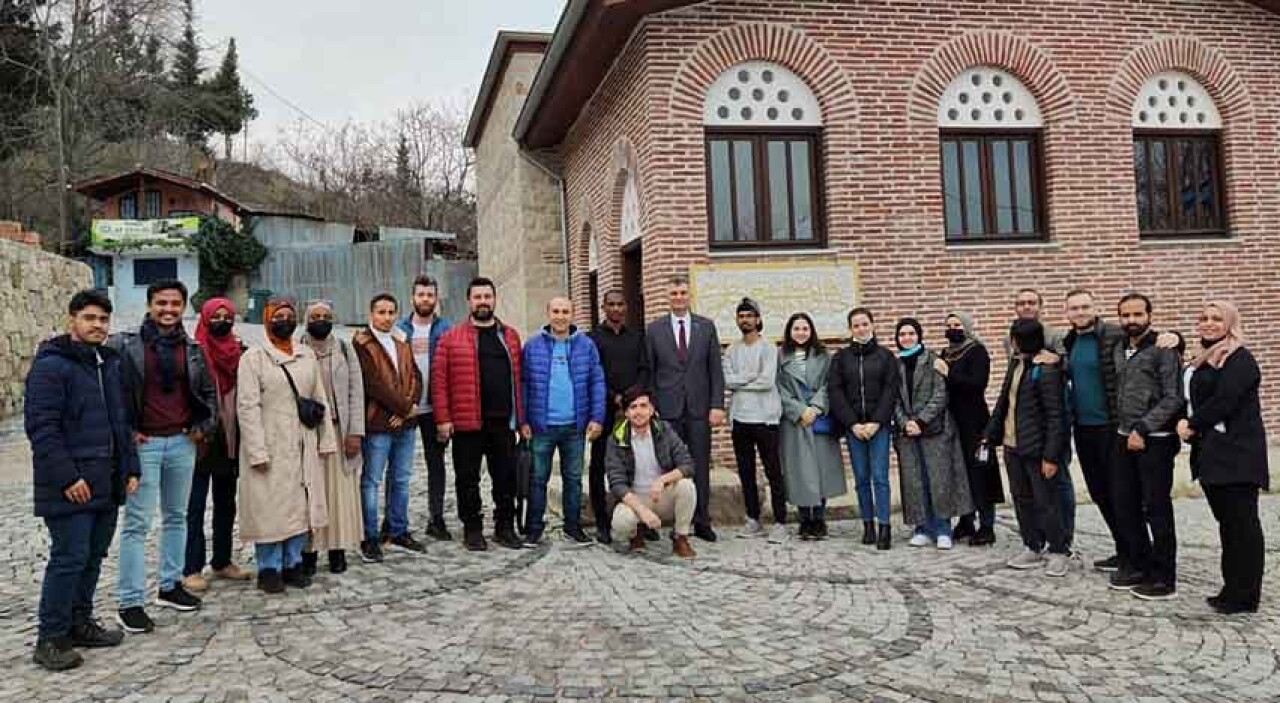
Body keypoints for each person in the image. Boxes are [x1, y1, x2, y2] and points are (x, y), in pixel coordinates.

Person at [25, 289, 137, 670]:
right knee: (68, 558)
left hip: (106, 481)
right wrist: (67, 476)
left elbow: (122, 423)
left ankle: (79, 622)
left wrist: (130, 468)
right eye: (89, 318)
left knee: (93, 556)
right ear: (72, 319)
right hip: (71, 483)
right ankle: (51, 638)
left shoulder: (109, 363)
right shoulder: (51, 366)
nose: (98, 326)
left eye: (103, 319)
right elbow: (42, 429)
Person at [109, 279, 216, 634]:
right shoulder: (126, 346)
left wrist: (203, 427)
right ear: (149, 305)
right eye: (161, 303)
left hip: (182, 443)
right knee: (137, 524)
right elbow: (114, 395)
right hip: (145, 445)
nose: (168, 310)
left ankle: (170, 585)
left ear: (184, 307)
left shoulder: (193, 348)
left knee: (177, 517)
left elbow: (208, 394)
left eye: (174, 304)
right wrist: (127, 433)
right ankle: (130, 601)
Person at [237, 296, 336, 593]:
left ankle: (293, 563)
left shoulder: (306, 355)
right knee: (269, 509)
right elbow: (247, 406)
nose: (284, 320)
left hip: (302, 443)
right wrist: (256, 450)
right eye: (277, 315)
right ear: (267, 320)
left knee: (300, 507)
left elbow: (320, 400)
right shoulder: (253, 358)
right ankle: (269, 567)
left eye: (288, 315)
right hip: (270, 443)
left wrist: (326, 440)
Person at [1178, 301, 1268, 614]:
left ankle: (1246, 596)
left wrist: (1190, 424)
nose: (1209, 323)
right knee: (1228, 526)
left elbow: (1226, 400)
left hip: (1237, 456)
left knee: (1243, 526)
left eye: (1217, 319)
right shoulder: (1204, 358)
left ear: (1230, 323)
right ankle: (1232, 588)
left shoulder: (1239, 357)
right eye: (1203, 318)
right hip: (1213, 454)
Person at [432, 277, 525, 552]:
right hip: (466, 422)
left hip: (502, 421)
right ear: (469, 301)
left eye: (487, 296)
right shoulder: (451, 338)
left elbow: (520, 380)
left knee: (505, 477)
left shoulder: (509, 336)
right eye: (478, 297)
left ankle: (504, 527)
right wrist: (443, 419)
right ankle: (472, 528)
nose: (483, 301)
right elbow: (439, 382)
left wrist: (521, 419)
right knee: (467, 478)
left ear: (494, 299)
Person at [1110, 293, 1185, 601]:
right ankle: (1140, 565)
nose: (1131, 320)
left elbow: (1174, 397)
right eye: (1125, 315)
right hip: (1124, 436)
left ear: (1150, 315)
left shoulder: (1164, 349)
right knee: (1126, 504)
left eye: (1137, 314)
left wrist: (1143, 427)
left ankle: (1164, 578)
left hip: (1155, 440)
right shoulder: (1120, 346)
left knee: (1156, 507)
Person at [985, 320, 1070, 576]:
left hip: (1037, 450)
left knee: (1047, 502)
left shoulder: (1045, 371)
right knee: (1022, 500)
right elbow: (1004, 401)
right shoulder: (1016, 364)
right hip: (1013, 446)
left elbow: (1057, 417)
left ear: (1018, 340)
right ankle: (1032, 545)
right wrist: (990, 434)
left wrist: (1051, 456)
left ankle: (1058, 550)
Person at [519, 296, 606, 546]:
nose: (560, 316)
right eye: (555, 311)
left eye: (565, 311)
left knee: (573, 479)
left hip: (574, 427)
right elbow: (523, 385)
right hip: (541, 426)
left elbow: (597, 382)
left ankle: (573, 526)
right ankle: (534, 528)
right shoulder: (533, 346)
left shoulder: (586, 345)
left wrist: (597, 417)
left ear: (573, 314)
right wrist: (523, 420)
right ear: (548, 313)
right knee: (537, 479)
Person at [645, 274, 725, 542]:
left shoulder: (706, 327)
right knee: (664, 466)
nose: (678, 297)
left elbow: (715, 369)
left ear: (689, 295)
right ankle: (663, 520)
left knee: (700, 464)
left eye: (682, 293)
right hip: (667, 410)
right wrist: (651, 406)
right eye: (673, 294)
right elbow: (651, 372)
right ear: (667, 297)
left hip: (699, 409)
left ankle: (702, 520)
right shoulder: (654, 330)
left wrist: (717, 405)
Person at [182, 297, 252, 595]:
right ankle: (191, 568)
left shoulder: (242, 353)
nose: (221, 321)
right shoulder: (192, 353)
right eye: (215, 316)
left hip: (232, 438)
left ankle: (222, 560)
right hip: (201, 439)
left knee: (226, 503)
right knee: (194, 506)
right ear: (205, 318)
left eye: (227, 315)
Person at [1059, 289, 1129, 573]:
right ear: (1067, 312)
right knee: (1099, 492)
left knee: (1120, 493)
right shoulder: (1070, 340)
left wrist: (1175, 338)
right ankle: (1122, 548)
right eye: (1074, 308)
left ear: (1094, 307)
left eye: (1085, 306)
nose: (1080, 312)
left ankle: (1134, 553)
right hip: (1083, 428)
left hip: (1111, 427)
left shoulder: (1114, 334)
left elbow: (1147, 340)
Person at [352, 293, 424, 563]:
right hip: (378, 423)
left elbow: (416, 376)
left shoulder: (400, 341)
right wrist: (402, 409)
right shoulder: (361, 343)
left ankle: (397, 529)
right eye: (381, 312)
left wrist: (410, 405)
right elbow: (372, 384)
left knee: (401, 479)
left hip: (404, 424)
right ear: (371, 314)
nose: (386, 317)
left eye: (391, 312)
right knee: (372, 481)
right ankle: (369, 537)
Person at [892, 318, 973, 551]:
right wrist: (905, 422)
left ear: (919, 335)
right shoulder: (896, 365)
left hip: (935, 430)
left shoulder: (933, 360)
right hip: (907, 432)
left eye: (911, 333)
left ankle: (943, 528)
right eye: (902, 334)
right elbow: (894, 399)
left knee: (939, 479)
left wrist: (920, 420)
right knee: (915, 481)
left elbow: (941, 395)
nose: (906, 338)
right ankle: (922, 528)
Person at [1003, 288, 1075, 548]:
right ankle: (1036, 541)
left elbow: (1070, 368)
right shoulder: (1012, 344)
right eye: (1021, 303)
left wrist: (1058, 360)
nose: (1026, 306)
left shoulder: (1055, 336)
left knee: (1056, 489)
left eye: (1031, 302)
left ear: (1041, 306)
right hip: (1022, 431)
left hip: (1048, 432)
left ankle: (1063, 540)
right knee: (1026, 494)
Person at [300, 300, 365, 574]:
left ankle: (337, 550)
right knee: (309, 493)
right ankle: (309, 551)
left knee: (339, 494)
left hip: (340, 430)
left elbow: (356, 390)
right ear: (306, 319)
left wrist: (355, 432)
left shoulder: (344, 348)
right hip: (309, 431)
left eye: (326, 315)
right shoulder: (296, 348)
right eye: (316, 316)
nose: (321, 320)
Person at [828, 307, 898, 549]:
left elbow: (891, 391)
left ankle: (885, 526)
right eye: (856, 325)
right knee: (861, 478)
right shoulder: (840, 358)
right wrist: (853, 424)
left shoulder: (886, 357)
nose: (861, 328)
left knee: (880, 477)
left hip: (879, 427)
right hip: (854, 428)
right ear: (850, 329)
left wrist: (876, 422)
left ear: (872, 325)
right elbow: (836, 392)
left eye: (864, 324)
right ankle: (867, 524)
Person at [776, 313, 846, 541]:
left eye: (805, 328)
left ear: (811, 331)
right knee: (800, 472)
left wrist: (814, 408)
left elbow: (829, 384)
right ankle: (805, 519)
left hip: (818, 419)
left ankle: (820, 519)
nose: (801, 332)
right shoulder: (780, 357)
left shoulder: (824, 356)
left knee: (821, 470)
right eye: (796, 328)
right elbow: (778, 389)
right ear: (789, 331)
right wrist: (798, 410)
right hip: (795, 421)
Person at [605, 386, 698, 559]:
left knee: (687, 487)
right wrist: (642, 511)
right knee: (621, 523)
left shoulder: (664, 430)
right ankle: (636, 533)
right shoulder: (616, 439)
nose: (638, 412)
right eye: (633, 407)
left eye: (643, 406)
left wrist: (663, 480)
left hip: (660, 495)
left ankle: (680, 537)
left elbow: (687, 464)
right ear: (626, 413)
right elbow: (616, 483)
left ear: (652, 409)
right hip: (634, 499)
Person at [587, 289, 650, 544]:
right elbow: (593, 372)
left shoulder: (637, 337)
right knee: (599, 465)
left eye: (620, 304)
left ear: (625, 307)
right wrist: (613, 397)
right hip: (604, 410)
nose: (615, 309)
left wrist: (632, 399)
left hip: (634, 410)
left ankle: (641, 520)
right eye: (610, 304)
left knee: (638, 464)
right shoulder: (593, 338)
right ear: (603, 307)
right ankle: (602, 522)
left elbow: (644, 369)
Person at [722, 297, 786, 542]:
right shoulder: (732, 350)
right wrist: (749, 377)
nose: (745, 320)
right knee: (746, 472)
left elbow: (766, 381)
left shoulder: (769, 348)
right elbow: (728, 381)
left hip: (766, 418)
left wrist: (742, 381)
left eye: (749, 315)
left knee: (773, 470)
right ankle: (752, 519)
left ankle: (780, 521)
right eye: (741, 316)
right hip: (740, 418)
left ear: (758, 319)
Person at [396, 275, 453, 541]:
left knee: (436, 465)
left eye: (430, 295)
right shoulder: (400, 330)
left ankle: (436, 518)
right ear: (413, 298)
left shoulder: (446, 330)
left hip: (435, 410)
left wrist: (447, 414)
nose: (425, 300)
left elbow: (452, 373)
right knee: (399, 467)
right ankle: (395, 522)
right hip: (407, 409)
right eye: (421, 295)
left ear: (436, 298)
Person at [938, 312, 1001, 546]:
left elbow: (977, 384)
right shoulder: (946, 353)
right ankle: (966, 520)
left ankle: (987, 525)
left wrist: (949, 373)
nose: (953, 328)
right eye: (949, 325)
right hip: (952, 421)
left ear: (966, 327)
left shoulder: (977, 351)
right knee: (959, 471)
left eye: (957, 325)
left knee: (980, 471)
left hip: (974, 421)